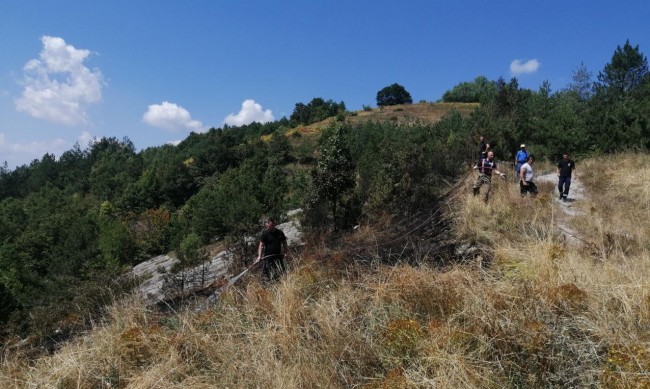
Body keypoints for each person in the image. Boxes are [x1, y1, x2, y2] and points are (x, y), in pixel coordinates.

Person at [254, 218, 290, 283]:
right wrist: (259, 256)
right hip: (268, 257)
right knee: (269, 272)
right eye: (267, 226)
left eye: (269, 226)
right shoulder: (265, 234)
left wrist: (286, 252)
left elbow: (284, 242)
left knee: (281, 271)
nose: (268, 227)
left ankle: (281, 283)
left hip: (278, 256)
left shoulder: (280, 233)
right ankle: (271, 285)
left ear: (274, 224)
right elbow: (261, 245)